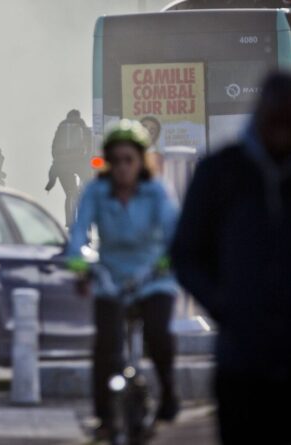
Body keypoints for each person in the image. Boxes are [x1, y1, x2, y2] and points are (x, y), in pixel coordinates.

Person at [171, 72, 291, 444]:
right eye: (275, 121)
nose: (282, 133)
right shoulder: (222, 173)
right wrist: (223, 304)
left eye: (290, 121)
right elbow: (186, 252)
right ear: (259, 117)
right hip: (244, 364)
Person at [67, 119, 180, 440]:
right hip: (111, 279)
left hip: (152, 278)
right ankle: (104, 417)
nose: (122, 168)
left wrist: (167, 259)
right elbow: (78, 233)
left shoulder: (156, 191)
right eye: (115, 160)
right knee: (105, 348)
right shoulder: (96, 192)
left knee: (158, 334)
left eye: (128, 159)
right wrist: (79, 264)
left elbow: (174, 232)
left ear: (141, 161)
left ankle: (168, 394)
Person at [45, 109, 92, 226]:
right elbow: (90, 144)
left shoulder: (61, 127)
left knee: (70, 193)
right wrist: (87, 158)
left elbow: (53, 147)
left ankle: (69, 221)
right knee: (88, 187)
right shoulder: (82, 125)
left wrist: (58, 160)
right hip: (79, 162)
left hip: (62, 164)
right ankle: (86, 216)